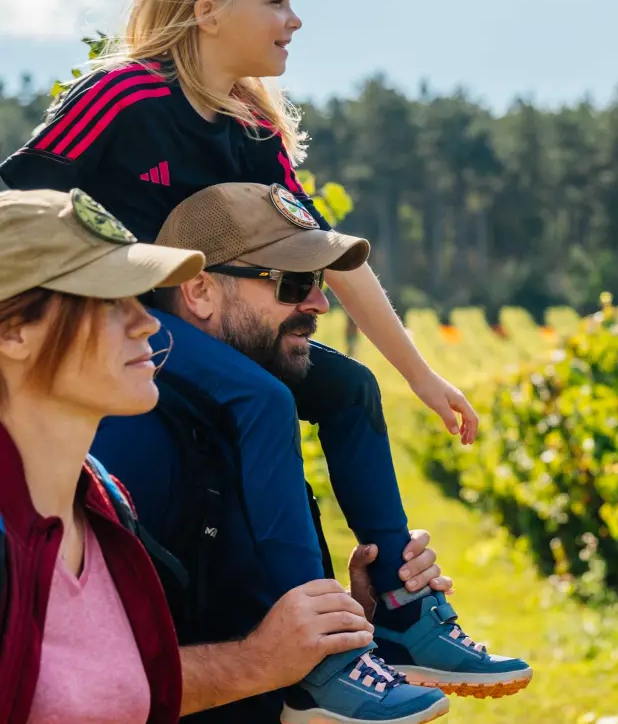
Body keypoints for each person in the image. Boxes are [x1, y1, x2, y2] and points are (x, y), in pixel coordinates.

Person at [93, 182, 532, 724]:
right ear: (200, 291)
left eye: (320, 282)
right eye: (294, 283)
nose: (321, 303)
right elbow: (66, 683)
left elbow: (250, 625)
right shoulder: (123, 448)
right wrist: (258, 663)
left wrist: (356, 615)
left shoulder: (249, 426)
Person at [0, 186, 205, 724]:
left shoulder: (105, 504)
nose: (148, 322)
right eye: (108, 301)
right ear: (13, 331)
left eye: (138, 298)